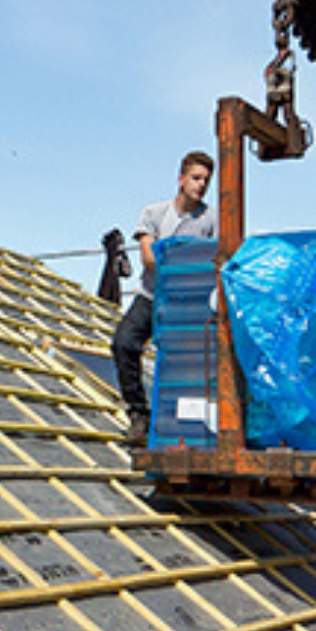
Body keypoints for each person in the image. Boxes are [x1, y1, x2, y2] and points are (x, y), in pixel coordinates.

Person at [111, 151, 218, 444]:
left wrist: (178, 258)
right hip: (152, 296)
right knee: (124, 343)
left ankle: (182, 428)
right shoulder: (154, 213)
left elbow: (216, 262)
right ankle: (138, 414)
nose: (201, 185)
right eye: (196, 178)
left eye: (206, 180)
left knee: (187, 364)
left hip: (187, 304)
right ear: (181, 179)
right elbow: (148, 258)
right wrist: (189, 260)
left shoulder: (211, 220)